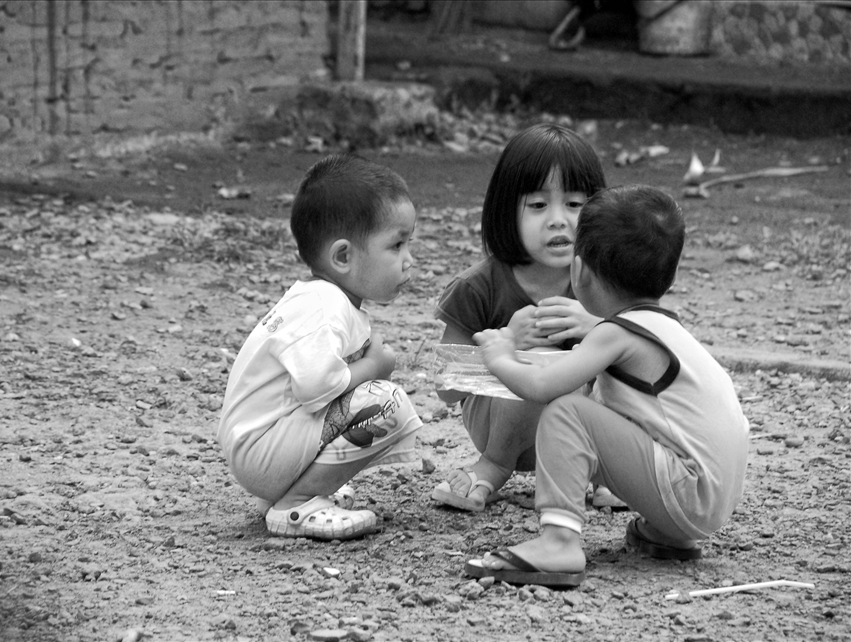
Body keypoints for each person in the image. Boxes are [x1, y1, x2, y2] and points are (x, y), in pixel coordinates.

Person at [465, 184, 750, 587]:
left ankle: (559, 540)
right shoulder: (663, 327)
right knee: (606, 408)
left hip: (688, 489)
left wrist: (501, 356)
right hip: (713, 495)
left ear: (578, 271)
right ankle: (670, 533)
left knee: (568, 412)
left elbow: (545, 386)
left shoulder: (615, 334)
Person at [217, 154, 424, 541]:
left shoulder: (323, 299)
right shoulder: (325, 307)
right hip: (261, 448)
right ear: (343, 256)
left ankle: (294, 489)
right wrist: (373, 368)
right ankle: (298, 502)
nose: (409, 261)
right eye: (396, 245)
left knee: (374, 398)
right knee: (387, 402)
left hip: (261, 444)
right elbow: (314, 388)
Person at [431, 123, 625, 511]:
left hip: (583, 433)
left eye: (574, 204)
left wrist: (600, 330)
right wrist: (506, 343)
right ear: (507, 212)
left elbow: (654, 349)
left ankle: (607, 471)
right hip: (502, 428)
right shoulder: (478, 286)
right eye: (538, 206)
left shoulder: (606, 284)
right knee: (540, 368)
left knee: (624, 360)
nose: (557, 220)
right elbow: (446, 387)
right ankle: (492, 466)